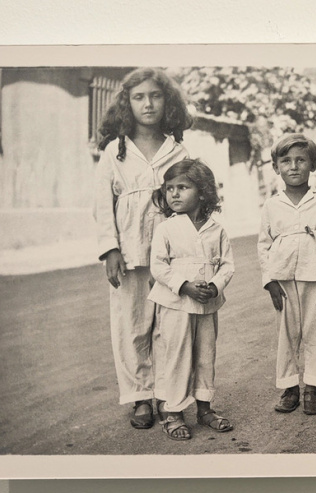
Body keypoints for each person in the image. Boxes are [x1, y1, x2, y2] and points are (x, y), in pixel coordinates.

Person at [93, 67, 193, 430]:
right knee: (131, 325)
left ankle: (168, 394)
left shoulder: (177, 148)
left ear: (167, 101)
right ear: (127, 103)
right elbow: (103, 204)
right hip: (130, 250)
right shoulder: (113, 152)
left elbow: (190, 198)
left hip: (171, 252)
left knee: (168, 325)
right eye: (139, 97)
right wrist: (110, 249)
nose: (148, 104)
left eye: (155, 96)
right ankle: (139, 396)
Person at [148, 159, 235, 440]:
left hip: (206, 306)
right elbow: (158, 266)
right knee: (177, 356)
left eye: (182, 187)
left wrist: (215, 285)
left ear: (202, 192)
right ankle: (173, 412)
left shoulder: (216, 230)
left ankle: (205, 408)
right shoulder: (166, 229)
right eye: (169, 188)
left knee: (205, 356)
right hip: (175, 305)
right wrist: (183, 286)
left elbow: (227, 266)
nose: (173, 194)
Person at [258, 134, 316, 415]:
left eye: (301, 160)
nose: (293, 166)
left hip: (315, 273)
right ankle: (289, 387)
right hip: (283, 276)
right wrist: (269, 281)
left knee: (315, 332)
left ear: (313, 165)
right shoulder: (271, 205)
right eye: (286, 161)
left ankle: (313, 388)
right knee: (287, 333)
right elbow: (264, 244)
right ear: (276, 166)